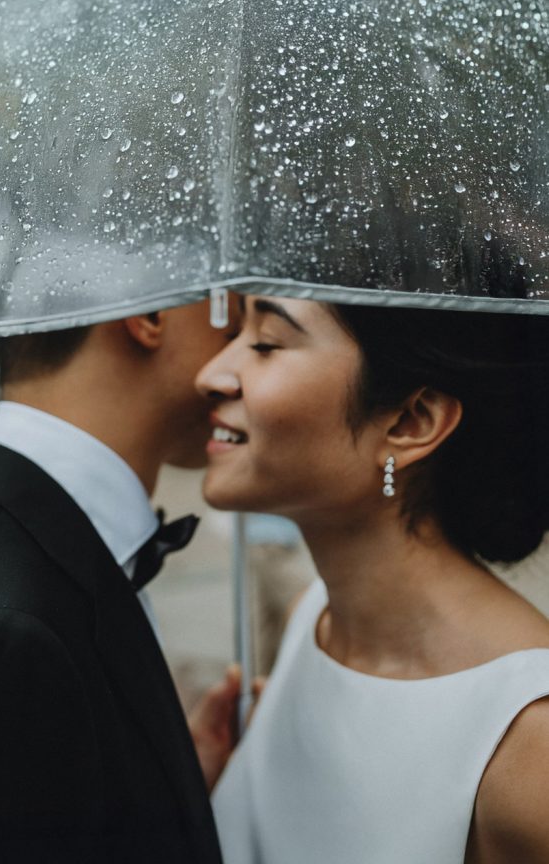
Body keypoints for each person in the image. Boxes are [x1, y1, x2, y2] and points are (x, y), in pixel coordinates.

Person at [0, 299, 240, 863]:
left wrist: (158, 799)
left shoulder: (14, 560)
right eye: (231, 314)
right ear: (152, 313)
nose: (238, 353)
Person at [197, 295, 549, 864]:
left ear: (411, 421)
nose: (210, 375)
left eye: (265, 343)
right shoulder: (310, 621)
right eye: (234, 333)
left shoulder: (530, 742)